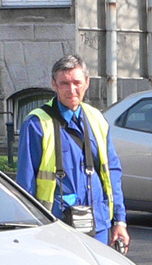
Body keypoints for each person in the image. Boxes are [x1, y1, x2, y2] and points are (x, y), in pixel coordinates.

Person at [16, 54, 130, 251]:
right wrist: (28, 229)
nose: (72, 90)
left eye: (77, 82)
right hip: (56, 226)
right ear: (54, 84)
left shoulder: (96, 119)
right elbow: (25, 183)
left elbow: (112, 172)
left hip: (99, 223)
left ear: (87, 83)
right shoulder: (36, 123)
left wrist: (120, 220)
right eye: (64, 83)